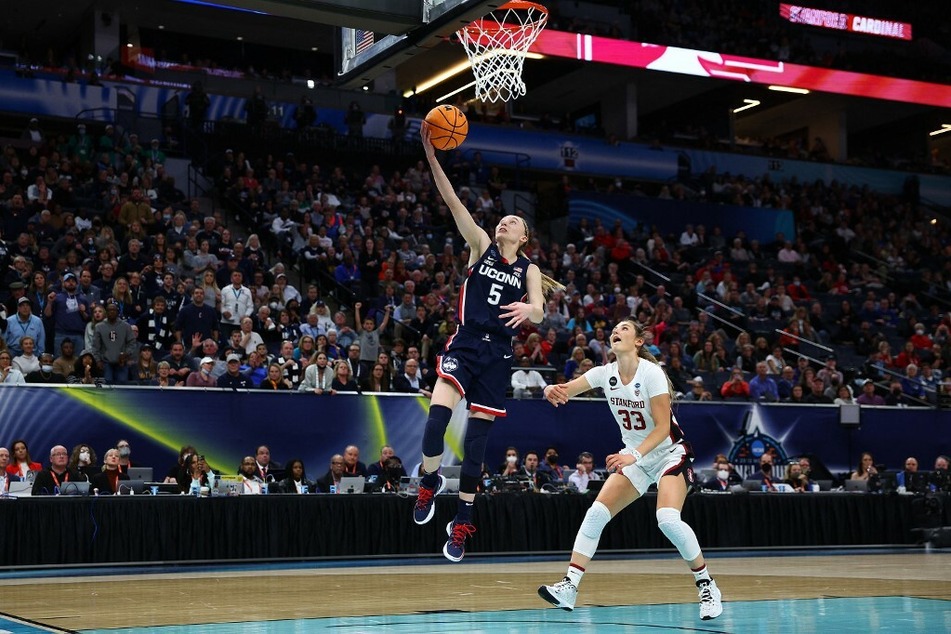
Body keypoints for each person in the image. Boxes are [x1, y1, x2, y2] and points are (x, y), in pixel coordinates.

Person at [413, 124, 560, 564]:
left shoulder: (529, 269)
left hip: (497, 357)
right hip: (465, 344)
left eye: (512, 221)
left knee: (476, 453)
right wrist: (432, 155)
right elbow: (452, 201)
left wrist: (529, 313)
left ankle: (461, 525)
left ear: (523, 236)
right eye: (502, 219)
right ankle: (428, 481)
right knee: (435, 423)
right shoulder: (480, 244)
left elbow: (538, 309)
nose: (503, 221)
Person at [538, 318, 722, 620]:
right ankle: (569, 587)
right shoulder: (603, 373)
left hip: (669, 453)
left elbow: (663, 428)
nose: (616, 331)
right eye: (614, 328)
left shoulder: (652, 373)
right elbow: (565, 390)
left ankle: (707, 585)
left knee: (667, 518)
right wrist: (551, 389)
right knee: (596, 513)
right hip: (636, 457)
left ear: (639, 341)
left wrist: (633, 454)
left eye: (624, 328)